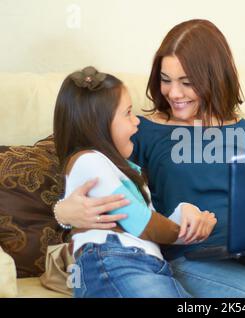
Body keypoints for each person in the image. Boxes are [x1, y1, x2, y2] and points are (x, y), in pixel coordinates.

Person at [55, 19, 245, 298]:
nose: (174, 93)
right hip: (192, 255)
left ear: (214, 78)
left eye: (187, 82)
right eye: (165, 80)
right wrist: (63, 213)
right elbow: (96, 175)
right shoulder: (142, 130)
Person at [53, 66, 216, 297]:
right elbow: (142, 223)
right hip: (116, 260)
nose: (137, 121)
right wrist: (181, 230)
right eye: (128, 113)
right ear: (98, 124)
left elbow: (141, 224)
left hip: (146, 264)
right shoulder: (89, 161)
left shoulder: (124, 168)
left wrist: (185, 214)